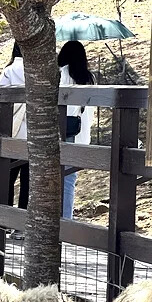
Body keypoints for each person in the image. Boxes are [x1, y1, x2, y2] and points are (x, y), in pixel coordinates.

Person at [58, 40, 95, 219]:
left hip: (61, 132)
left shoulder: (60, 74)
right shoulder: (90, 78)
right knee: (69, 179)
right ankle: (66, 219)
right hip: (80, 133)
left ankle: (59, 220)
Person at [0, 43, 28, 239]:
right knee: (28, 181)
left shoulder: (9, 71)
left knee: (7, 177)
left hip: (12, 131)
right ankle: (21, 226)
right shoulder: (43, 70)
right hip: (33, 133)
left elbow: (0, 97)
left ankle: (4, 222)